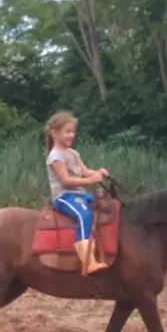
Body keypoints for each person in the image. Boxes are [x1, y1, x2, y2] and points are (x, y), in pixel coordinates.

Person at [45, 111, 110, 276]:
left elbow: (86, 172)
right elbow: (66, 181)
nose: (71, 135)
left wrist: (98, 173)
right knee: (84, 215)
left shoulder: (73, 153)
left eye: (73, 131)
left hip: (80, 195)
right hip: (64, 196)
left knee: (105, 205)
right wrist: (91, 180)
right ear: (54, 133)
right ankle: (87, 261)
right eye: (67, 131)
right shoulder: (56, 156)